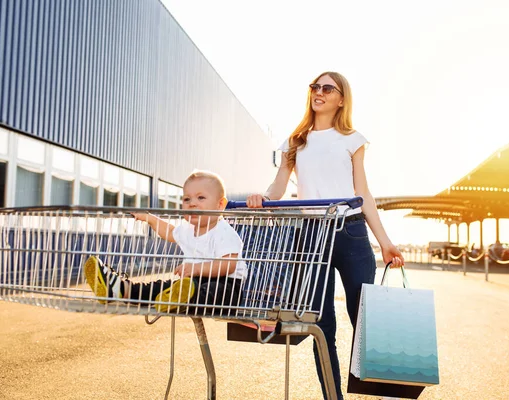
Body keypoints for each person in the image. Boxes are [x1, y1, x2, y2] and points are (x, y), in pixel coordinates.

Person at [246, 71, 404, 399]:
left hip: (350, 232)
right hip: (310, 236)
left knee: (363, 319)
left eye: (327, 88)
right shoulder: (296, 140)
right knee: (322, 326)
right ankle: (333, 397)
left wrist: (385, 242)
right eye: (315, 87)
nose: (319, 92)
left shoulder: (353, 140)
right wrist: (263, 198)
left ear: (341, 98)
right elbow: (278, 186)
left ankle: (384, 391)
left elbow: (364, 193)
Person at [84, 170, 246, 315]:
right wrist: (150, 219)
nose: (192, 203)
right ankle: (122, 289)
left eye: (201, 197)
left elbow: (228, 265)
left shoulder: (224, 232)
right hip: (192, 283)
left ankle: (184, 299)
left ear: (220, 205)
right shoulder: (188, 230)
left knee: (211, 291)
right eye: (187, 199)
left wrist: (196, 269)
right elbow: (168, 231)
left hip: (228, 287)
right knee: (161, 286)